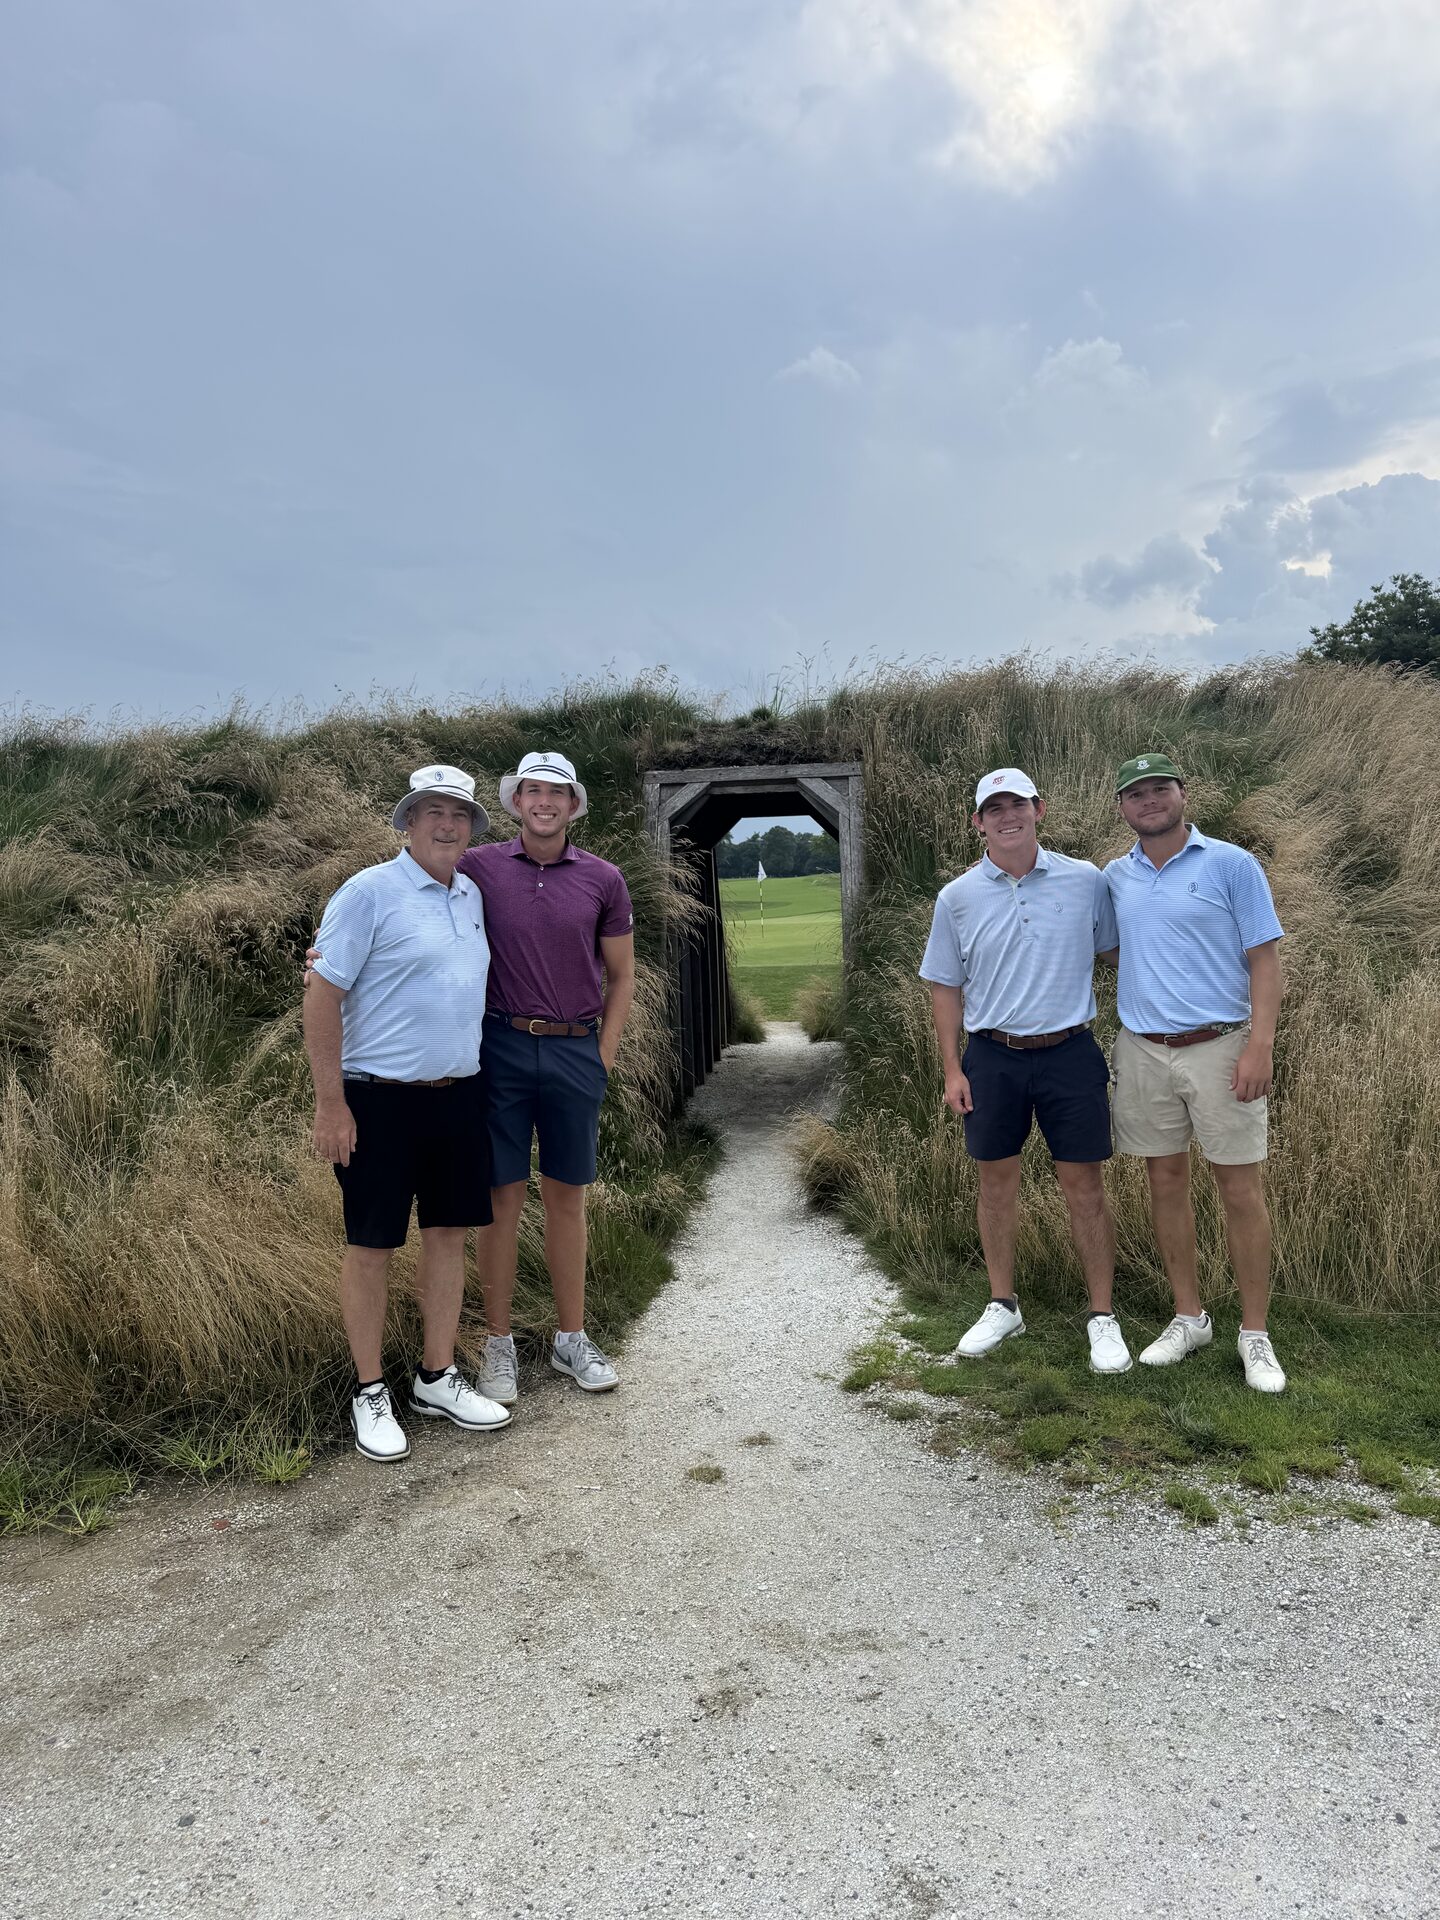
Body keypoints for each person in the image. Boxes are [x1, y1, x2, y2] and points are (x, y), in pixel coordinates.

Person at [304, 765, 512, 1462]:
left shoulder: (472, 894)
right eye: (432, 811)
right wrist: (330, 1104)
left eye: (458, 813)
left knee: (448, 1235)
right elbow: (322, 995)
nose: (447, 824)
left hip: (458, 1093)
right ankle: (370, 1392)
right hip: (377, 1098)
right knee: (372, 1245)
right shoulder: (368, 893)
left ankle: (436, 1376)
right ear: (407, 821)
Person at [920, 768, 1131, 1373]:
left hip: (1070, 1051)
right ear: (977, 822)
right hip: (992, 1055)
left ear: (1040, 809)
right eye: (994, 808)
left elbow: (1118, 952)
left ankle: (1102, 1316)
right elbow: (945, 986)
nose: (1007, 816)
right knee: (996, 1184)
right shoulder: (957, 898)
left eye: (1018, 804)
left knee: (1084, 1186)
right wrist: (951, 1069)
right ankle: (1003, 1304)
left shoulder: (1085, 880)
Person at [1103, 754, 1287, 1392]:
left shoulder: (1232, 864)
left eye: (1161, 789)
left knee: (1240, 1190)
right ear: (1123, 807)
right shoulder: (1114, 877)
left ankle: (1255, 1334)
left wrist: (1259, 1044)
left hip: (1221, 1045)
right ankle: (1190, 1316)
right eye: (1137, 793)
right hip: (1143, 1048)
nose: (1149, 801)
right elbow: (1113, 948)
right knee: (1165, 1181)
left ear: (1183, 795)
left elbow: (1264, 959)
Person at [457, 751, 636, 1403]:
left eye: (556, 792)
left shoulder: (603, 879)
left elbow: (622, 975)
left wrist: (603, 1055)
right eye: (532, 790)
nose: (543, 802)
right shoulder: (478, 868)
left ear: (572, 805)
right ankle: (498, 1345)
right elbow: (412, 893)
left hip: (573, 1050)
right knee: (500, 1199)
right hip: (499, 1045)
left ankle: (570, 1338)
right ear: (515, 802)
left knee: (567, 1198)